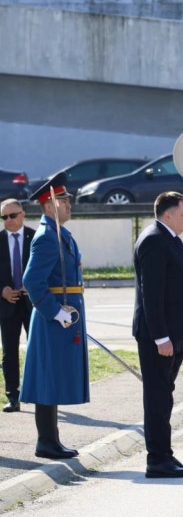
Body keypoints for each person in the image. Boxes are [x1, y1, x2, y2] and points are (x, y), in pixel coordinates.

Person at [20, 173, 88, 459]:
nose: (69, 204)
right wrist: (56, 311)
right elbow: (32, 280)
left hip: (63, 316)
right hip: (54, 318)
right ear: (49, 205)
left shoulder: (60, 233)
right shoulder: (47, 237)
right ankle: (46, 442)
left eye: (68, 200)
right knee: (48, 378)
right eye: (64, 200)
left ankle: (52, 439)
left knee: (54, 376)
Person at [132, 191, 183, 479]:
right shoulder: (154, 240)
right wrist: (161, 337)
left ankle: (165, 455)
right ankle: (158, 459)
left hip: (173, 337)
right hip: (157, 338)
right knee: (157, 398)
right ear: (168, 214)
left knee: (164, 397)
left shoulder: (169, 238)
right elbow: (152, 294)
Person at [0, 199, 33, 412]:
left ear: (23, 215)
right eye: (4, 217)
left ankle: (39, 393)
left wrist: (35, 286)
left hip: (34, 304)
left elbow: (49, 269)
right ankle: (13, 396)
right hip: (7, 304)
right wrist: (2, 290)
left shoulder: (36, 238)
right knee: (9, 352)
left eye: (12, 215)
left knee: (36, 349)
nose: (8, 220)